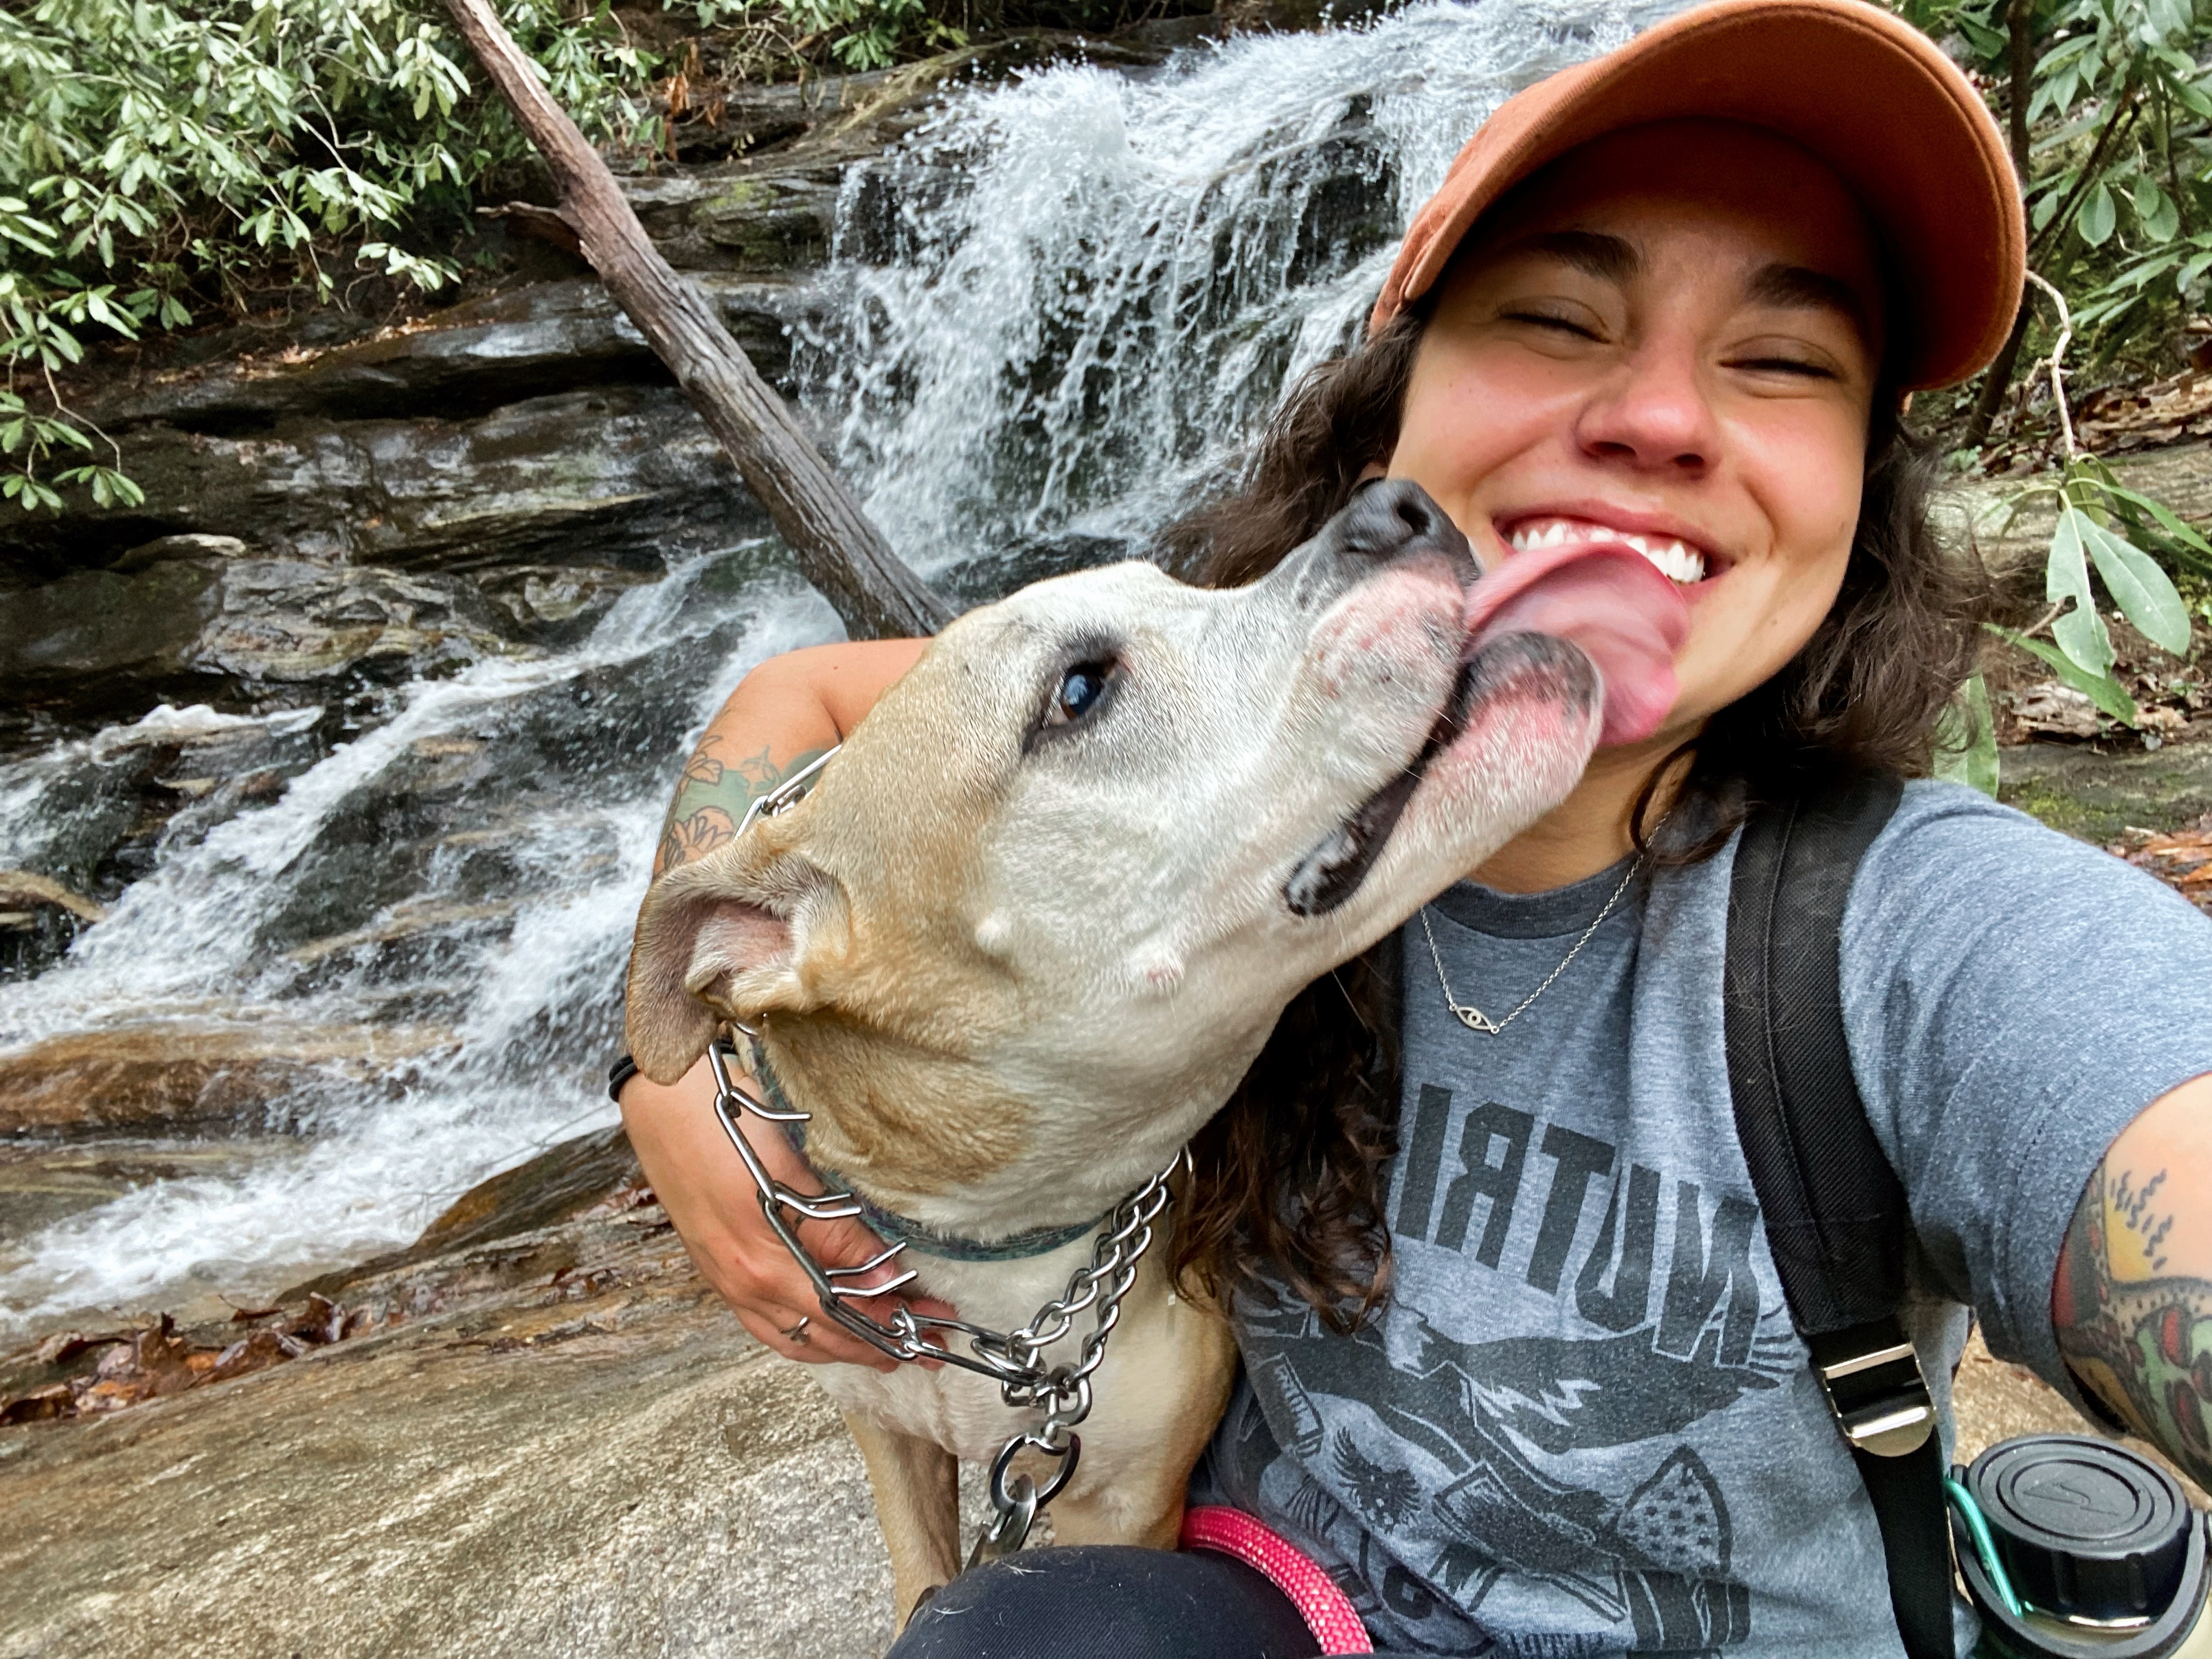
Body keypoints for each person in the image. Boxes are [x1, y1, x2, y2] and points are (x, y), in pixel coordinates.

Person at [616, 1, 2212, 1652]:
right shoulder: (1257, 704)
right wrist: (665, 1065)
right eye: (1556, 315)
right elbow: (811, 699)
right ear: (1398, 406)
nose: (1662, 417)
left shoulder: (1924, 938)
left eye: (1784, 360)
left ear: (1856, 492)